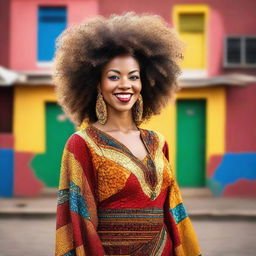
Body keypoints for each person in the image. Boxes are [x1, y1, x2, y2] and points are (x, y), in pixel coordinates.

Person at [54, 12, 201, 256]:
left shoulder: (158, 142)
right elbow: (79, 222)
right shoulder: (82, 144)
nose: (125, 84)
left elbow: (172, 210)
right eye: (114, 77)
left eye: (134, 77)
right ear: (97, 84)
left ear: (145, 83)